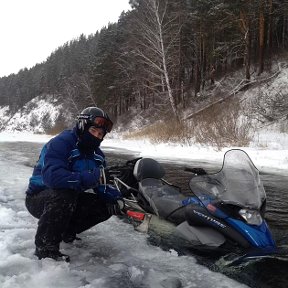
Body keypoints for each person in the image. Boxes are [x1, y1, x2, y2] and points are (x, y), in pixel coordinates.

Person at [25, 107, 124, 262]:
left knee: (105, 205)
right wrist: (95, 176)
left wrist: (118, 199)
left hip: (69, 199)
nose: (96, 136)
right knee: (65, 192)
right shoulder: (61, 143)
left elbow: (101, 186)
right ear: (82, 126)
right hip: (39, 198)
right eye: (93, 131)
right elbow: (53, 178)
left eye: (100, 134)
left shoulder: (98, 155)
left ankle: (66, 231)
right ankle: (46, 248)